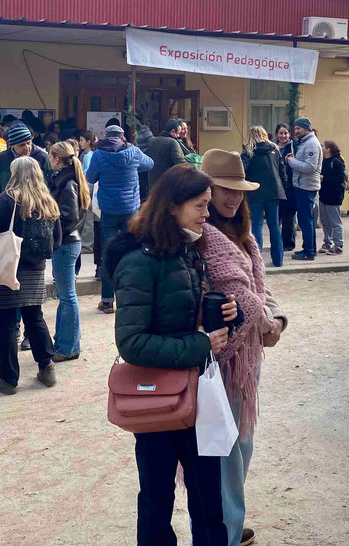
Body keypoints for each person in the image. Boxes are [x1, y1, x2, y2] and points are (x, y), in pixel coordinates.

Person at [106, 164, 232, 546]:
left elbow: (183, 312)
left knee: (208, 495)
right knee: (158, 499)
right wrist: (199, 345)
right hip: (157, 401)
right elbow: (131, 342)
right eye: (200, 205)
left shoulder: (185, 250)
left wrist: (226, 313)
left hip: (198, 392)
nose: (207, 215)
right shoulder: (139, 261)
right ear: (173, 207)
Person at [199, 151, 287, 546]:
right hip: (223, 357)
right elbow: (231, 297)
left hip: (249, 358)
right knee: (225, 451)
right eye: (224, 190)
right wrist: (261, 320)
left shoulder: (245, 236)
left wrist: (276, 321)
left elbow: (259, 292)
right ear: (208, 190)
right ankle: (226, 532)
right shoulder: (202, 236)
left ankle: (229, 523)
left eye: (238, 191)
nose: (233, 198)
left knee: (242, 443)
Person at [0, 157, 61, 394]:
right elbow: (58, 239)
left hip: (10, 266)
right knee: (35, 316)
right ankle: (46, 366)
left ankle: (9, 379)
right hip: (36, 269)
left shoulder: (6, 200)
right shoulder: (47, 201)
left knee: (6, 323)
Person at [87, 125, 154, 313]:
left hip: (108, 210)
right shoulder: (133, 151)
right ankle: (129, 300)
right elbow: (150, 164)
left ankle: (107, 301)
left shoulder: (99, 155)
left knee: (109, 252)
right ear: (122, 137)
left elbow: (90, 177)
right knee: (131, 253)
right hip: (130, 210)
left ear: (106, 137)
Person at [48, 141, 90, 361]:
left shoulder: (67, 183)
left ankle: (68, 347)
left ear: (57, 158)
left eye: (50, 156)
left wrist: (52, 230)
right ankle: (65, 342)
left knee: (67, 297)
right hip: (68, 242)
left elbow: (70, 218)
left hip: (65, 243)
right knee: (66, 296)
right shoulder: (69, 179)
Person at [242, 126, 286, 268]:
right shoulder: (275, 149)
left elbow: (242, 169)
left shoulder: (249, 151)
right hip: (274, 192)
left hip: (255, 191)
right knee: (275, 226)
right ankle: (278, 260)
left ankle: (257, 261)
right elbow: (282, 172)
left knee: (256, 225)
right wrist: (283, 189)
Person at [285, 117, 322, 261]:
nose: (296, 131)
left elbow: (310, 167)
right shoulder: (306, 143)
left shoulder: (311, 144)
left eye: (298, 128)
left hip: (306, 187)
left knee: (305, 220)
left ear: (306, 128)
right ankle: (310, 247)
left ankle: (308, 251)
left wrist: (291, 161)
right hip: (304, 185)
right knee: (308, 220)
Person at [0, 121, 50, 195]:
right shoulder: (1, 159)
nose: (27, 148)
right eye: (22, 145)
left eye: (28, 143)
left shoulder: (42, 158)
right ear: (12, 145)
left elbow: (49, 187)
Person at [319, 141, 346, 256]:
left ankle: (338, 244)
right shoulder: (324, 161)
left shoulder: (336, 162)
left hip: (334, 196)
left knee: (335, 222)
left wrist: (324, 178)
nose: (321, 148)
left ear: (329, 149)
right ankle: (327, 242)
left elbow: (339, 180)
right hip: (323, 195)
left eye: (323, 146)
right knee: (325, 221)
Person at [274, 124, 297, 252]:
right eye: (281, 133)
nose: (283, 136)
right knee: (276, 216)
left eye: (286, 133)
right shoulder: (273, 147)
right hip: (276, 186)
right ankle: (277, 242)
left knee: (288, 216)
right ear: (277, 134)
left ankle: (288, 243)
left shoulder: (293, 147)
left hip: (289, 186)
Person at [147, 118, 188, 190]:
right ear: (172, 131)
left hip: (152, 180)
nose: (178, 136)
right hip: (168, 181)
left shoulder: (152, 141)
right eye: (177, 133)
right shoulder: (172, 142)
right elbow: (179, 162)